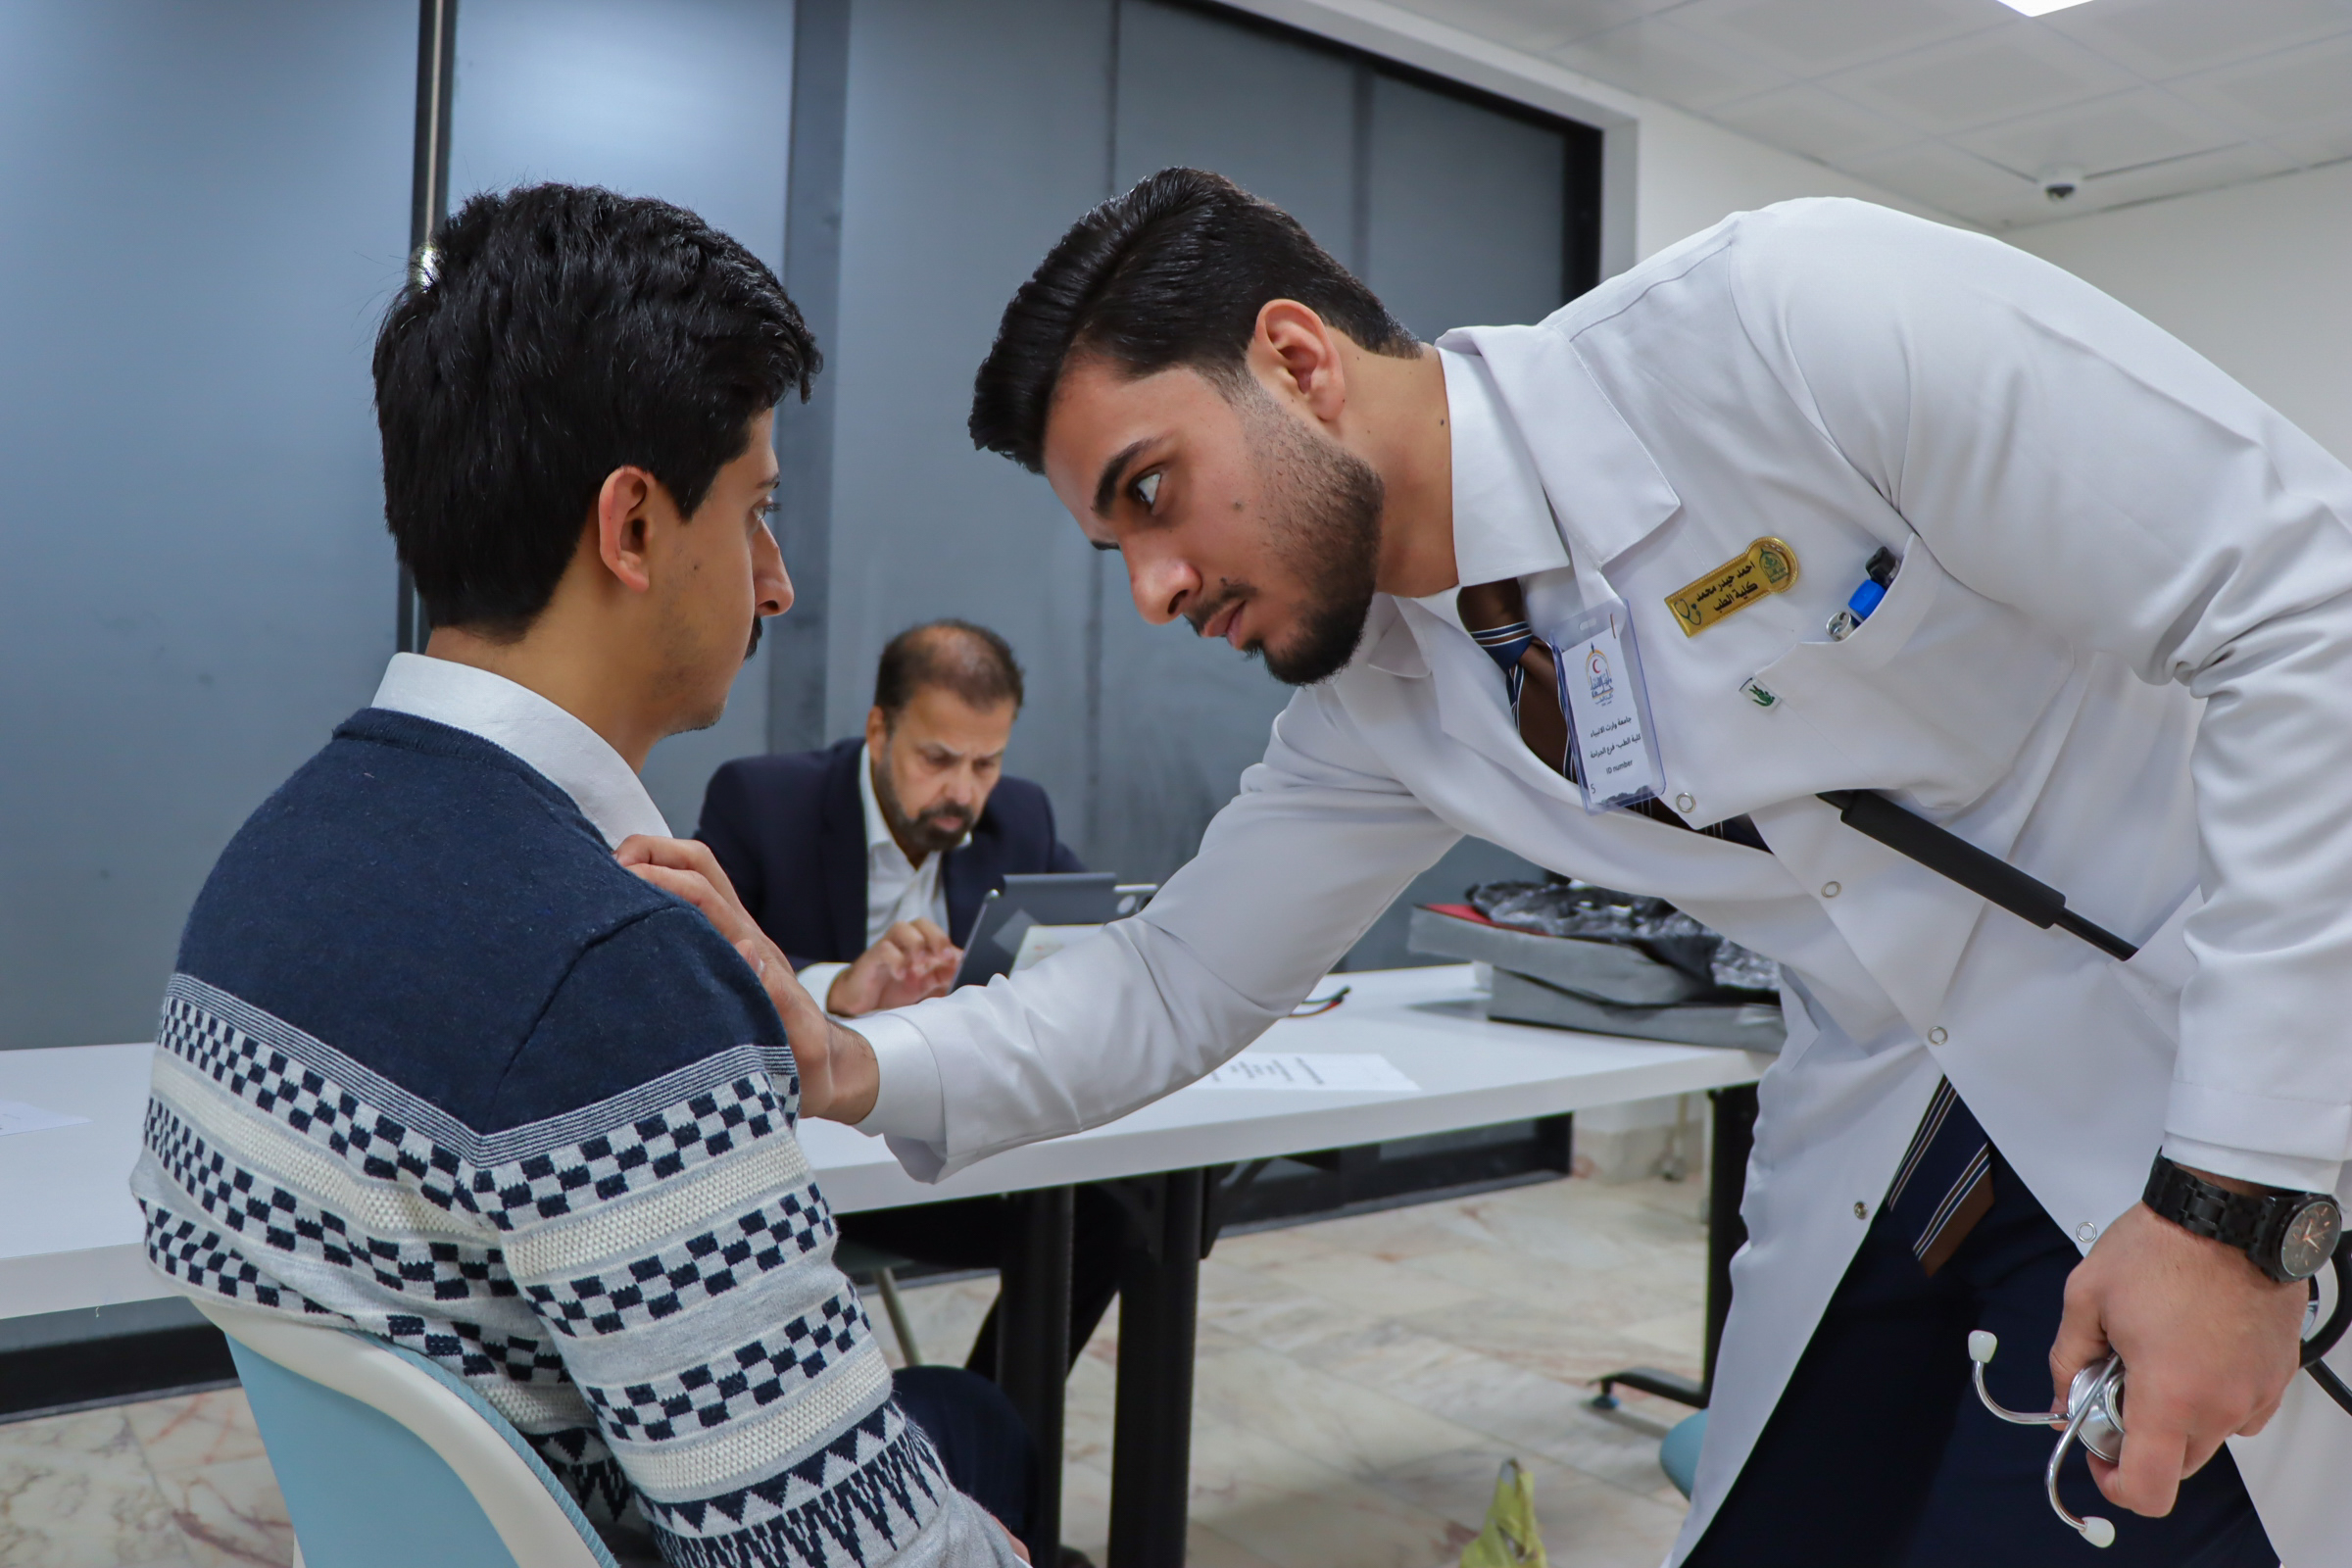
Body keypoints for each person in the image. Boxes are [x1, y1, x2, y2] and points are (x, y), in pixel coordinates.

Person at [644, 170, 2352, 1566]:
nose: (1155, 588)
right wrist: (855, 1062)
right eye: (1116, 545)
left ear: (1298, 359)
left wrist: (2236, 1207)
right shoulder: (1388, 698)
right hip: (1886, 1124)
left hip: (2190, 1083)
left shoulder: (1795, 325)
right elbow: (1173, 984)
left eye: (1153, 492)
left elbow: (2308, 606)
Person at [129, 183, 1032, 1567]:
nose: (776, 583)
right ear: (633, 528)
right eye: (756, 513)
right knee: (984, 1440)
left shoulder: (258, 869)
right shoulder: (612, 975)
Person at [695, 620, 1123, 1380]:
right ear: (878, 730)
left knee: (1110, 1222)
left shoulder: (1020, 817)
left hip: (950, 1149)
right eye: (938, 759)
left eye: (986, 763)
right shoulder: (763, 802)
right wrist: (837, 987)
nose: (964, 792)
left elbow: (1088, 937)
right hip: (803, 1169)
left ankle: (993, 1417)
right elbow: (698, 961)